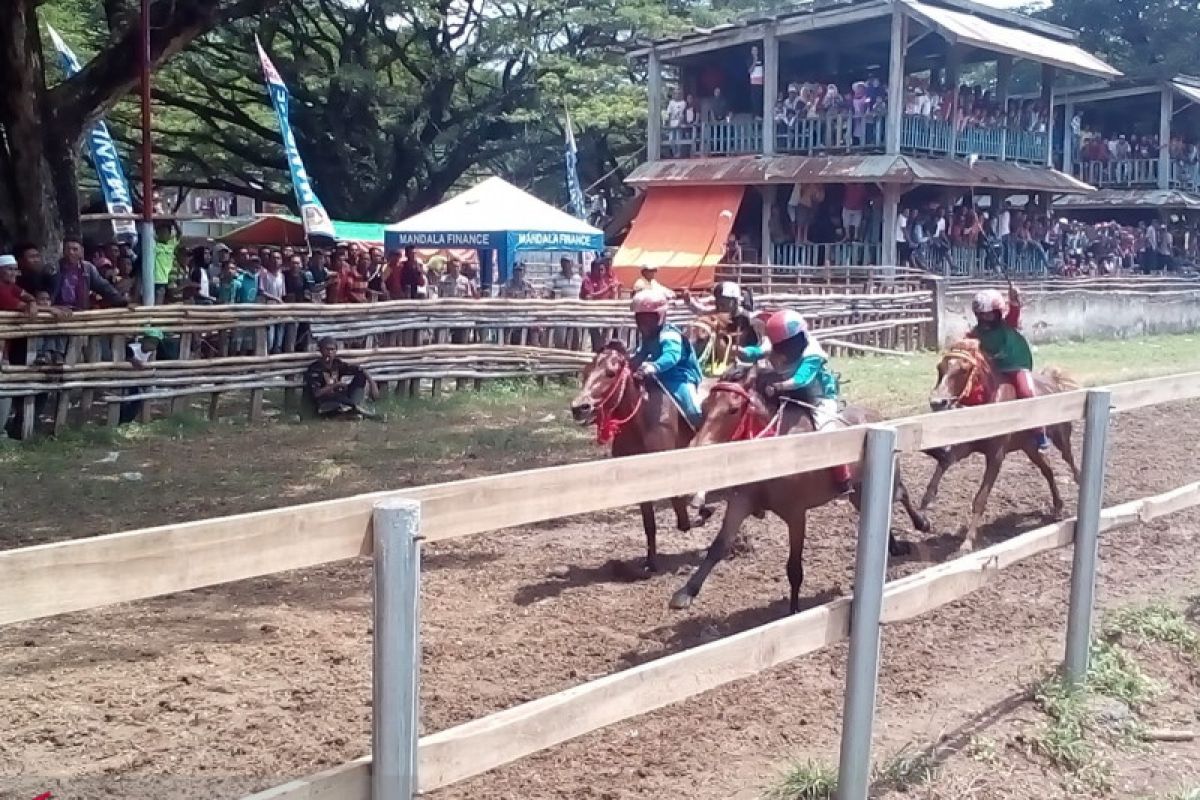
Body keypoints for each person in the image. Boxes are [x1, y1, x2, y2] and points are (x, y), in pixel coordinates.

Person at [759, 309, 852, 495]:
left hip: (819, 398)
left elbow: (801, 379)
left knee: (827, 432)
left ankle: (843, 477)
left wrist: (778, 386)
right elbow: (760, 351)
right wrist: (745, 352)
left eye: (786, 345)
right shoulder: (781, 346)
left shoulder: (812, 354)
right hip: (795, 395)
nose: (782, 350)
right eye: (780, 345)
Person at [967, 287, 1048, 450]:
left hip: (1016, 365)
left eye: (988, 313)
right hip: (994, 370)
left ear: (997, 313)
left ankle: (1039, 432)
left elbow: (1014, 312)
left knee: (1027, 392)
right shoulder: (975, 333)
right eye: (981, 314)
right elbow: (966, 343)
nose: (985, 317)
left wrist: (1014, 299)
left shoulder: (1007, 325)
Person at [629, 289, 703, 427]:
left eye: (650, 318)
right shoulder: (648, 337)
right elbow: (641, 354)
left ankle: (701, 433)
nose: (645, 323)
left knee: (693, 411)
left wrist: (654, 366)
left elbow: (672, 355)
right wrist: (629, 365)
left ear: (661, 316)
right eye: (641, 319)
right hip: (657, 376)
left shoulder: (669, 334)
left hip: (680, 378)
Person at [303, 337, 379, 419]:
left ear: (336, 351)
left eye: (333, 350)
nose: (330, 352)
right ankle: (353, 411)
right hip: (325, 400)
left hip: (340, 396)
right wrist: (335, 385)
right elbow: (316, 394)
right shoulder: (315, 368)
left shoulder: (337, 364)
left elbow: (360, 370)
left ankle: (355, 405)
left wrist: (372, 383)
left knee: (361, 376)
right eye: (327, 349)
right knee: (336, 406)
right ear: (320, 350)